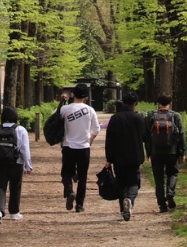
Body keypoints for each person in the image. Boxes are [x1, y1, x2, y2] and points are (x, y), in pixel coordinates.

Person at [0, 105, 33, 224]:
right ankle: (14, 213)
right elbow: (25, 149)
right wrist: (28, 165)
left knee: (0, 186)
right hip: (16, 163)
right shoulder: (20, 130)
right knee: (15, 186)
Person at [104, 92, 147, 221]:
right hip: (135, 156)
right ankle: (130, 200)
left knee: (121, 183)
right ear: (135, 104)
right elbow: (145, 137)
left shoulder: (115, 118)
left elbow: (109, 140)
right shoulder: (139, 118)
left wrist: (109, 159)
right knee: (134, 183)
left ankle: (123, 210)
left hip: (118, 157)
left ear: (122, 103)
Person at [59, 82, 101, 213]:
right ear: (86, 97)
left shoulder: (65, 109)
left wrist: (62, 101)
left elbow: (54, 119)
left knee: (66, 173)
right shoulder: (89, 110)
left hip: (68, 146)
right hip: (84, 147)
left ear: (73, 94)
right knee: (82, 177)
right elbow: (96, 129)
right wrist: (90, 141)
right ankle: (79, 205)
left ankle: (70, 190)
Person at [146, 93, 186, 212]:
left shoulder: (151, 116)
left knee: (158, 178)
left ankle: (162, 205)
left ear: (158, 103)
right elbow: (182, 134)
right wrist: (183, 152)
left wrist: (148, 153)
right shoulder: (176, 116)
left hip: (156, 152)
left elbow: (147, 136)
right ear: (170, 103)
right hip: (172, 151)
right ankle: (170, 193)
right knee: (173, 173)